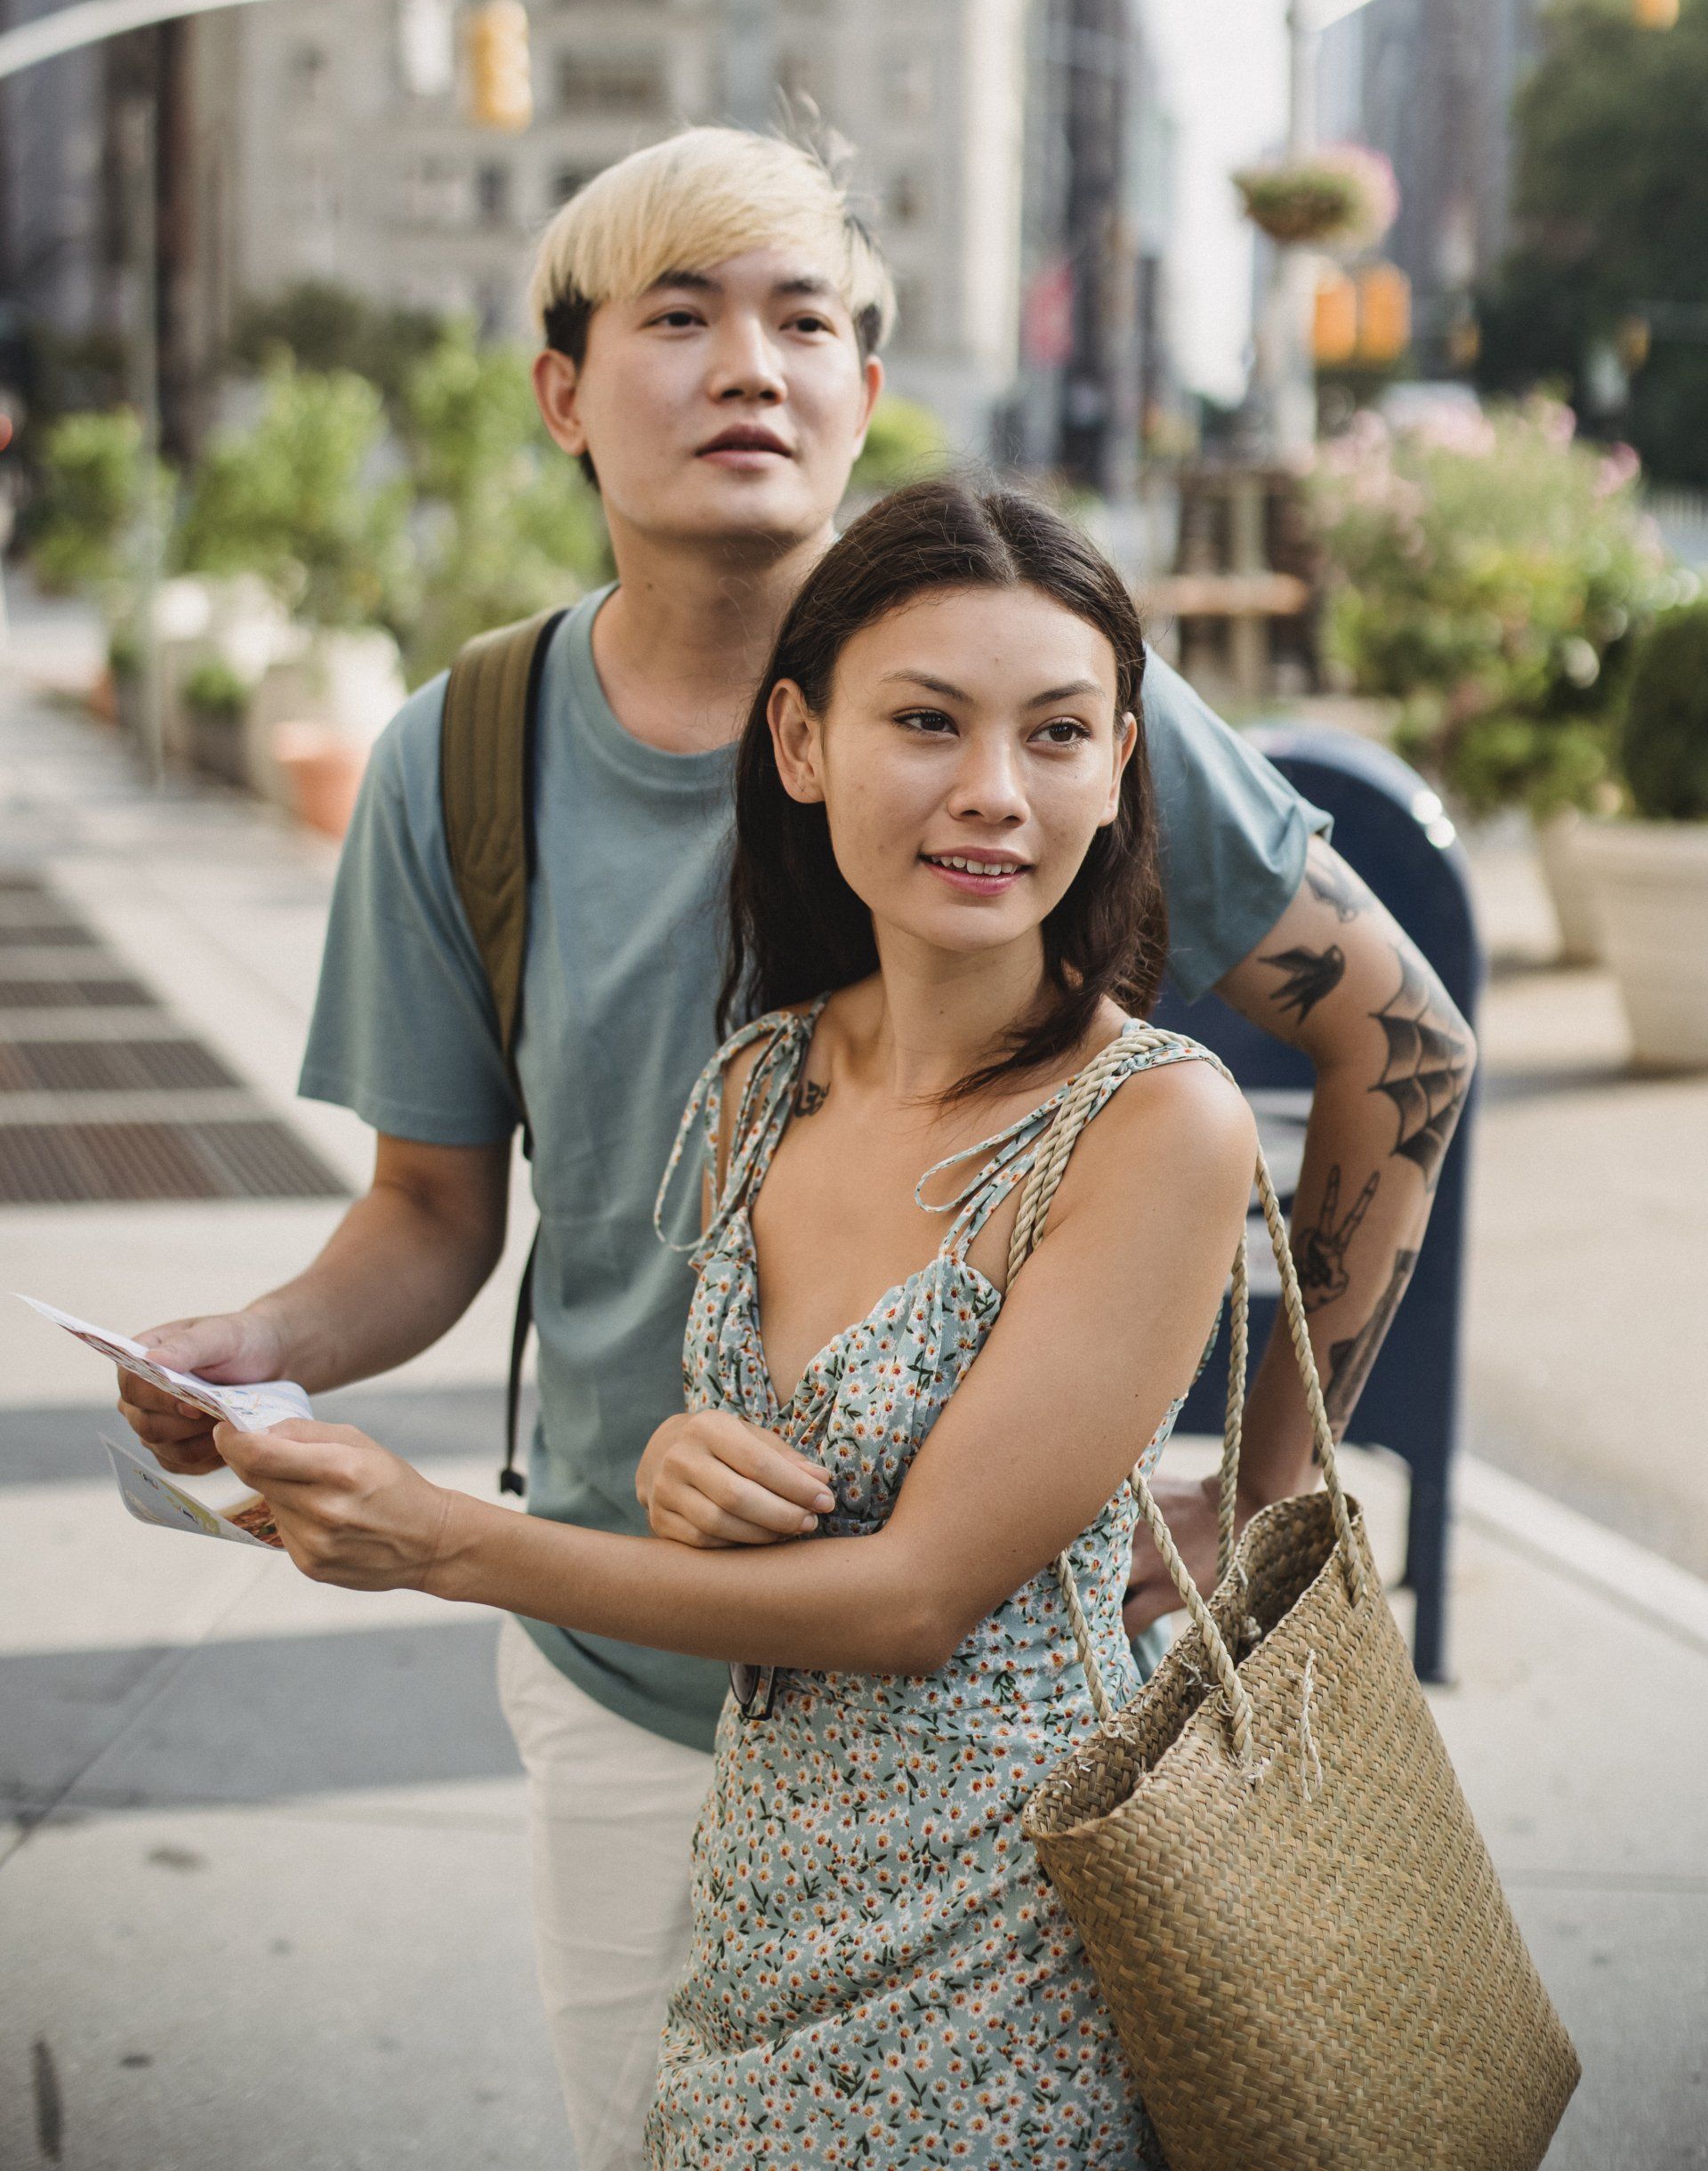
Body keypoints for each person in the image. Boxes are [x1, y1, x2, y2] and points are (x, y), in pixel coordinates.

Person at [117, 126, 1474, 2169]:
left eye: (806, 321)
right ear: (567, 394)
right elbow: (429, 1213)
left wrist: (1262, 1496)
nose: (750, 364)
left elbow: (1402, 1040)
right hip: (620, 1673)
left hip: (986, 1762)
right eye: (680, 317)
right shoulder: (460, 758)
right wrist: (259, 1340)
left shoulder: (1037, 686)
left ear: (864, 388)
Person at [198, 478, 1259, 2167]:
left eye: (1060, 735)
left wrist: (446, 1543)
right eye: (927, 721)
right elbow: (789, 1472)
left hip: (1006, 1941)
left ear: (1120, 764)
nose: (996, 793)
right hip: (757, 1909)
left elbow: (915, 1600)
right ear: (802, 738)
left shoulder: (1154, 1124)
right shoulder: (762, 1080)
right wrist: (697, 1456)